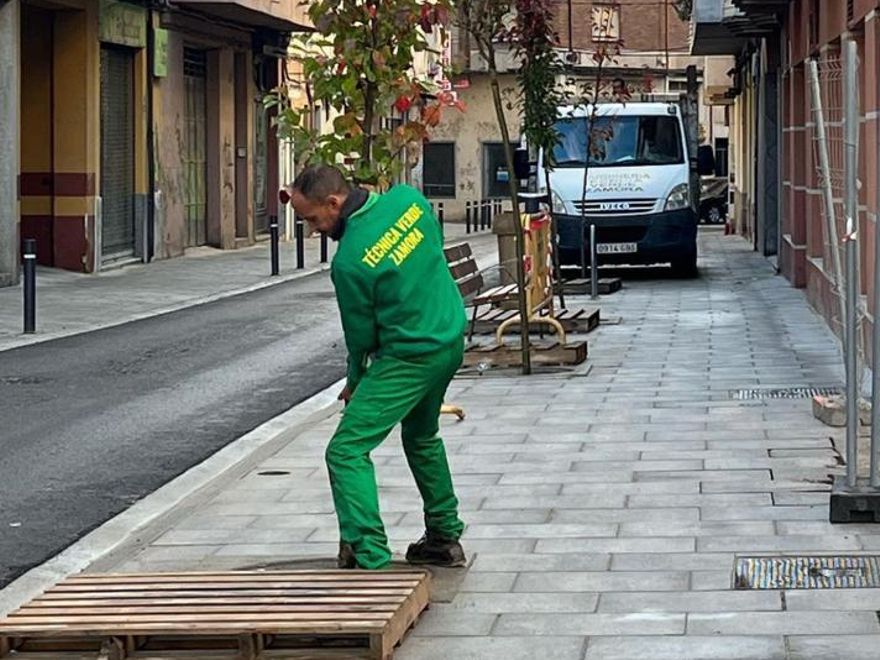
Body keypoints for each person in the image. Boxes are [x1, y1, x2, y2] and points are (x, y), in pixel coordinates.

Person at [280, 165, 467, 570]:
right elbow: (430, 252)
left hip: (409, 355)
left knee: (346, 450)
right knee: (422, 436)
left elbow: (361, 339)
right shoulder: (410, 201)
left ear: (334, 202)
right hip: (450, 340)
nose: (313, 230)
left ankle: (370, 557)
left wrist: (355, 383)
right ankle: (444, 536)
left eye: (313, 219)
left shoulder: (349, 262)